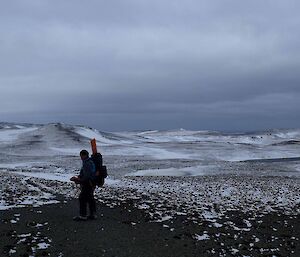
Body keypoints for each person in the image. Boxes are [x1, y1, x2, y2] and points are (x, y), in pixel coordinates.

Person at [71, 149, 97, 221]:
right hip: (91, 183)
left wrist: (78, 180)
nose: (81, 157)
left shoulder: (87, 163)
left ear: (84, 155)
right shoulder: (89, 162)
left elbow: (87, 175)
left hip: (87, 183)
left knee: (82, 198)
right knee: (90, 198)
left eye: (81, 156)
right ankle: (93, 214)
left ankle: (83, 215)